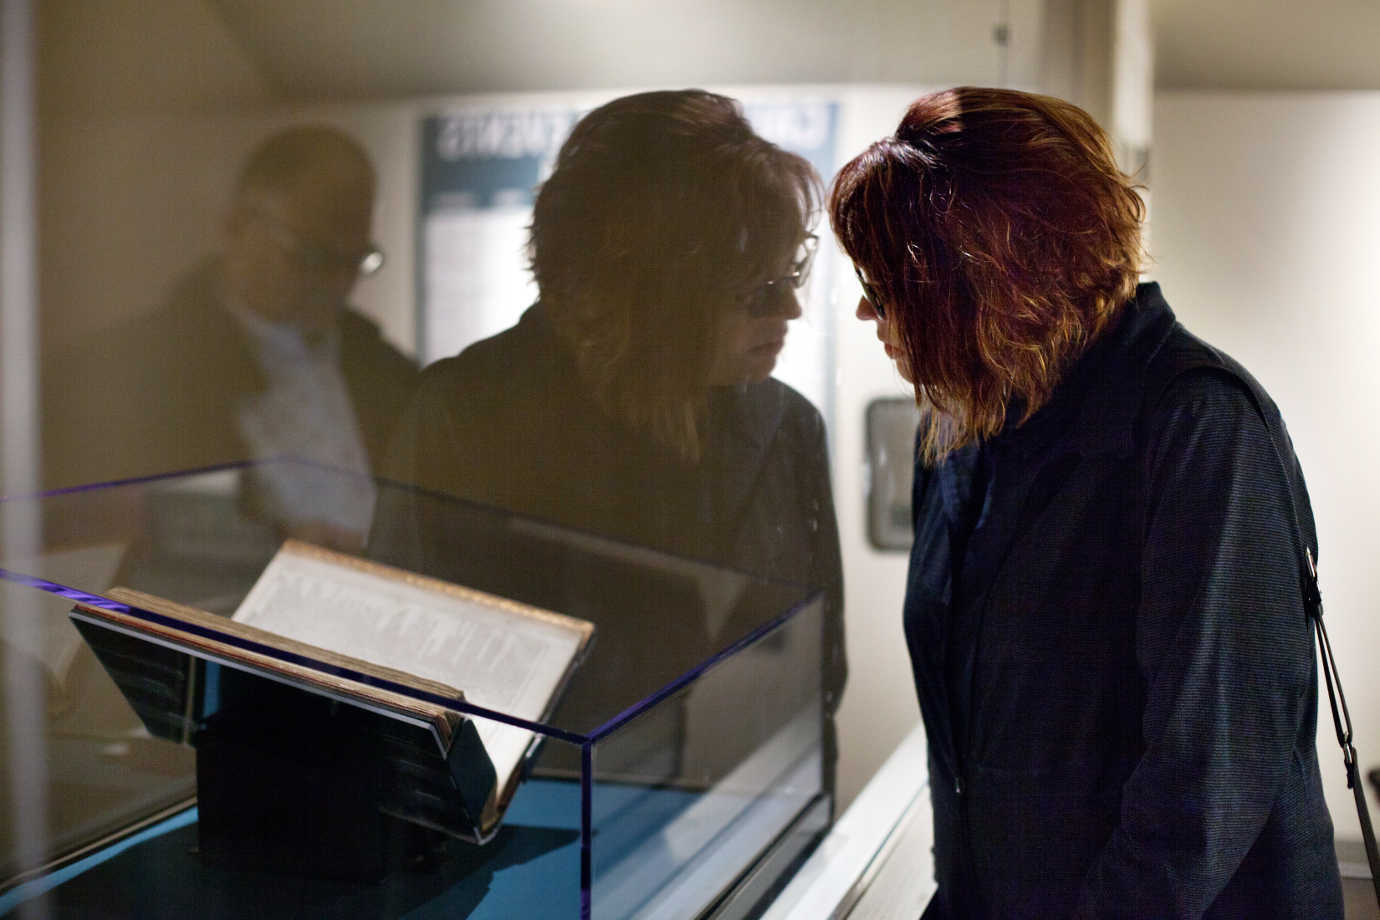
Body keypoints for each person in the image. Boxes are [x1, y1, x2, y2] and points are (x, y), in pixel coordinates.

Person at [830, 86, 1343, 918]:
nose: (868, 311)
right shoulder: (964, 437)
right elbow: (968, 758)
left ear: (995, 274)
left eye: (891, 285)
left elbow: (1201, 797)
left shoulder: (1197, 427)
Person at [374, 90, 845, 789]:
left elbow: (817, 677)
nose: (790, 310)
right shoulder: (468, 411)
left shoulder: (786, 426)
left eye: (790, 276)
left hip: (733, 829)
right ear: (646, 284)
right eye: (753, 289)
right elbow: (407, 685)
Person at [44, 125, 418, 548]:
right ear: (236, 225)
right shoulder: (124, 377)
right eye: (311, 257)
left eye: (356, 261)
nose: (336, 283)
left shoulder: (394, 378)